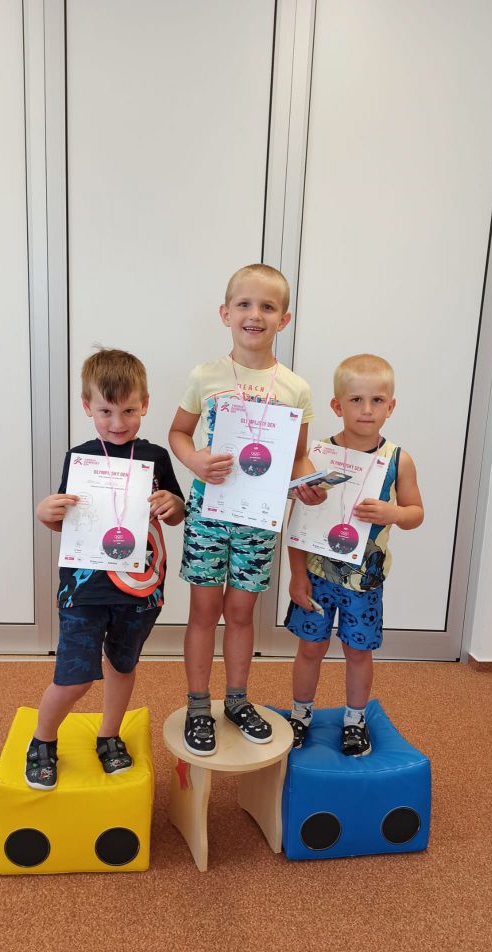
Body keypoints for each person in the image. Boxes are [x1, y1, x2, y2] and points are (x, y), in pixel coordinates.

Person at [169, 263, 321, 756]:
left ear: (284, 319)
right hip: (209, 512)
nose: (255, 315)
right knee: (204, 611)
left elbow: (298, 456)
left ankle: (236, 700)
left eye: (267, 307)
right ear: (225, 313)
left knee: (240, 612)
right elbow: (178, 433)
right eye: (244, 304)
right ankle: (198, 705)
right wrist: (194, 460)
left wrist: (307, 484)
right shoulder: (206, 375)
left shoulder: (294, 387)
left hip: (259, 518)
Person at [25, 349, 185, 789]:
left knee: (122, 664)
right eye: (106, 411)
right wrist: (45, 513)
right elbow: (69, 523)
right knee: (74, 677)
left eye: (129, 410)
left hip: (141, 588)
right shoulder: (80, 457)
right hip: (85, 589)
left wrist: (173, 504)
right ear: (87, 407)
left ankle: (109, 735)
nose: (118, 422)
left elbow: (175, 513)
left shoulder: (155, 456)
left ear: (145, 404)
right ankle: (42, 739)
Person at [284, 354, 423, 755]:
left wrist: (393, 513)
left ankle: (354, 720)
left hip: (365, 581)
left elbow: (415, 513)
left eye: (377, 401)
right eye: (356, 400)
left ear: (391, 407)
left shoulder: (398, 460)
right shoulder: (316, 457)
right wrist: (297, 574)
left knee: (358, 651)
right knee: (310, 648)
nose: (366, 410)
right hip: (317, 575)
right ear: (336, 405)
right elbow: (298, 521)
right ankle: (300, 715)